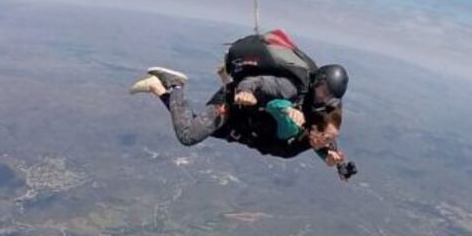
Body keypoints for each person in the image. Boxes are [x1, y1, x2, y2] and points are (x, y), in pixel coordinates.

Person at [129, 67, 346, 169]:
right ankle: (174, 84)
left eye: (329, 96)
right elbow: (259, 83)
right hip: (233, 106)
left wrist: (334, 161)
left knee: (192, 122)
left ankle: (157, 88)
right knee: (188, 134)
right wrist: (245, 91)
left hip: (241, 125)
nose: (324, 97)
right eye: (323, 91)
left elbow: (324, 134)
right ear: (318, 81)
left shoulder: (321, 110)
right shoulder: (290, 89)